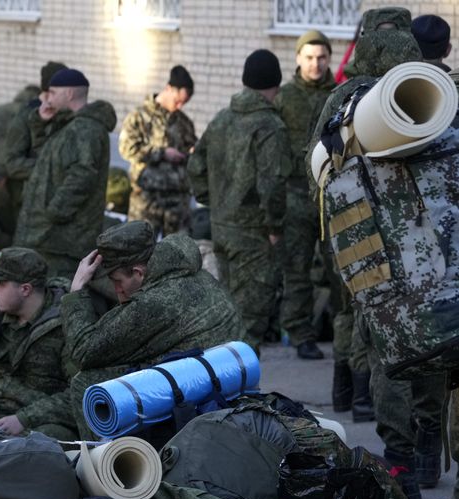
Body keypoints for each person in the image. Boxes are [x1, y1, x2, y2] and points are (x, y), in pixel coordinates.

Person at [308, 8, 441, 499]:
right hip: (430, 249)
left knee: (389, 353)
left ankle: (403, 462)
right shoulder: (437, 91)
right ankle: (425, 447)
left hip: (373, 252)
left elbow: (320, 172)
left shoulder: (346, 99)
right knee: (432, 345)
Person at [62, 221, 245, 441]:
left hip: (202, 395)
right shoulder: (190, 272)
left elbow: (84, 351)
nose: (117, 290)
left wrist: (76, 292)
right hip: (229, 379)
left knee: (89, 385)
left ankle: (112, 460)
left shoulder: (153, 302)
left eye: (117, 281)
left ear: (138, 272)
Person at [187, 49, 291, 354]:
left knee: (229, 315)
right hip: (255, 235)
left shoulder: (222, 118)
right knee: (250, 322)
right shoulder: (270, 126)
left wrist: (214, 202)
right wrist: (275, 227)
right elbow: (272, 183)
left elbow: (195, 167)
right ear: (275, 85)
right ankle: (242, 380)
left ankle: (227, 378)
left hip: (222, 228)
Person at [0, 247, 78, 440]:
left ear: (25, 289)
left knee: (43, 442)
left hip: (42, 425)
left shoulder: (68, 324)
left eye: (1, 284)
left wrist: (24, 419)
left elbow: (80, 392)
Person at [14, 68, 117, 278]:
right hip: (51, 240)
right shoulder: (69, 125)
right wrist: (40, 123)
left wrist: (53, 213)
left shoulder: (85, 129)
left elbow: (82, 176)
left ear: (69, 93)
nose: (47, 98)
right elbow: (47, 158)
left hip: (61, 242)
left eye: (52, 92)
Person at [274, 30, 335, 360]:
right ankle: (300, 334)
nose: (316, 64)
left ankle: (343, 333)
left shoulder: (338, 95)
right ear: (298, 58)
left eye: (322, 57)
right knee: (296, 270)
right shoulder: (284, 97)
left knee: (337, 269)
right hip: (295, 196)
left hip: (331, 195)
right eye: (309, 57)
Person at [119, 65, 197, 236]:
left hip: (177, 202)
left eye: (183, 103)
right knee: (138, 246)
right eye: (177, 101)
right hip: (147, 199)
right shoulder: (139, 117)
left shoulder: (184, 123)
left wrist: (192, 152)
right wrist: (162, 153)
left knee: (178, 250)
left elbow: (192, 152)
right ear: (168, 89)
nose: (179, 106)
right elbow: (127, 148)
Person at [2, 61, 66, 213]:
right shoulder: (26, 117)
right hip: (28, 202)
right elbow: (11, 164)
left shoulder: (63, 115)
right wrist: (51, 168)